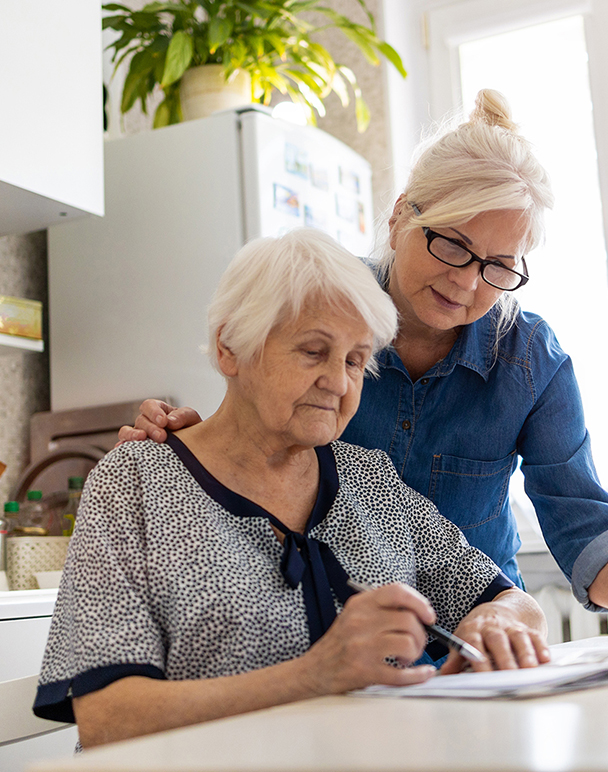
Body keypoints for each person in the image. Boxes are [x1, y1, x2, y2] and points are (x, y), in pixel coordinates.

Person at [120, 89, 608, 660]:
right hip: (333, 657)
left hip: (479, 645)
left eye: (499, 265)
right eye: (451, 244)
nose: (467, 282)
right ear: (399, 218)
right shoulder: (326, 312)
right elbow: (250, 440)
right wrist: (185, 448)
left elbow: (585, 521)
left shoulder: (528, 359)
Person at [34, 230, 549, 749]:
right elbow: (106, 717)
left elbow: (510, 598)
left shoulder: (368, 479)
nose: (340, 383)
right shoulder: (135, 482)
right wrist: (315, 674)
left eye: (354, 359)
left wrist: (498, 624)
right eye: (313, 351)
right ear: (230, 347)